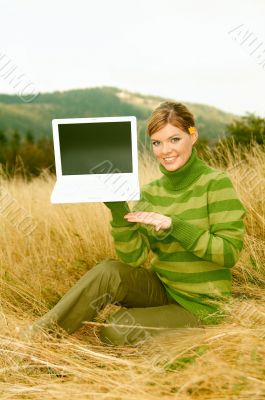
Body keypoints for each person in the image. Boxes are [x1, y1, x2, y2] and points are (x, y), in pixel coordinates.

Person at [31, 101, 246, 346]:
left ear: (193, 136)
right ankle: (37, 339)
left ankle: (184, 335)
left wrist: (175, 226)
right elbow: (134, 259)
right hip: (163, 290)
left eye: (174, 139)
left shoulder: (216, 184)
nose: (165, 150)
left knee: (115, 329)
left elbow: (228, 253)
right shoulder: (151, 192)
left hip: (201, 306)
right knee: (107, 272)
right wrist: (117, 209)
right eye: (157, 143)